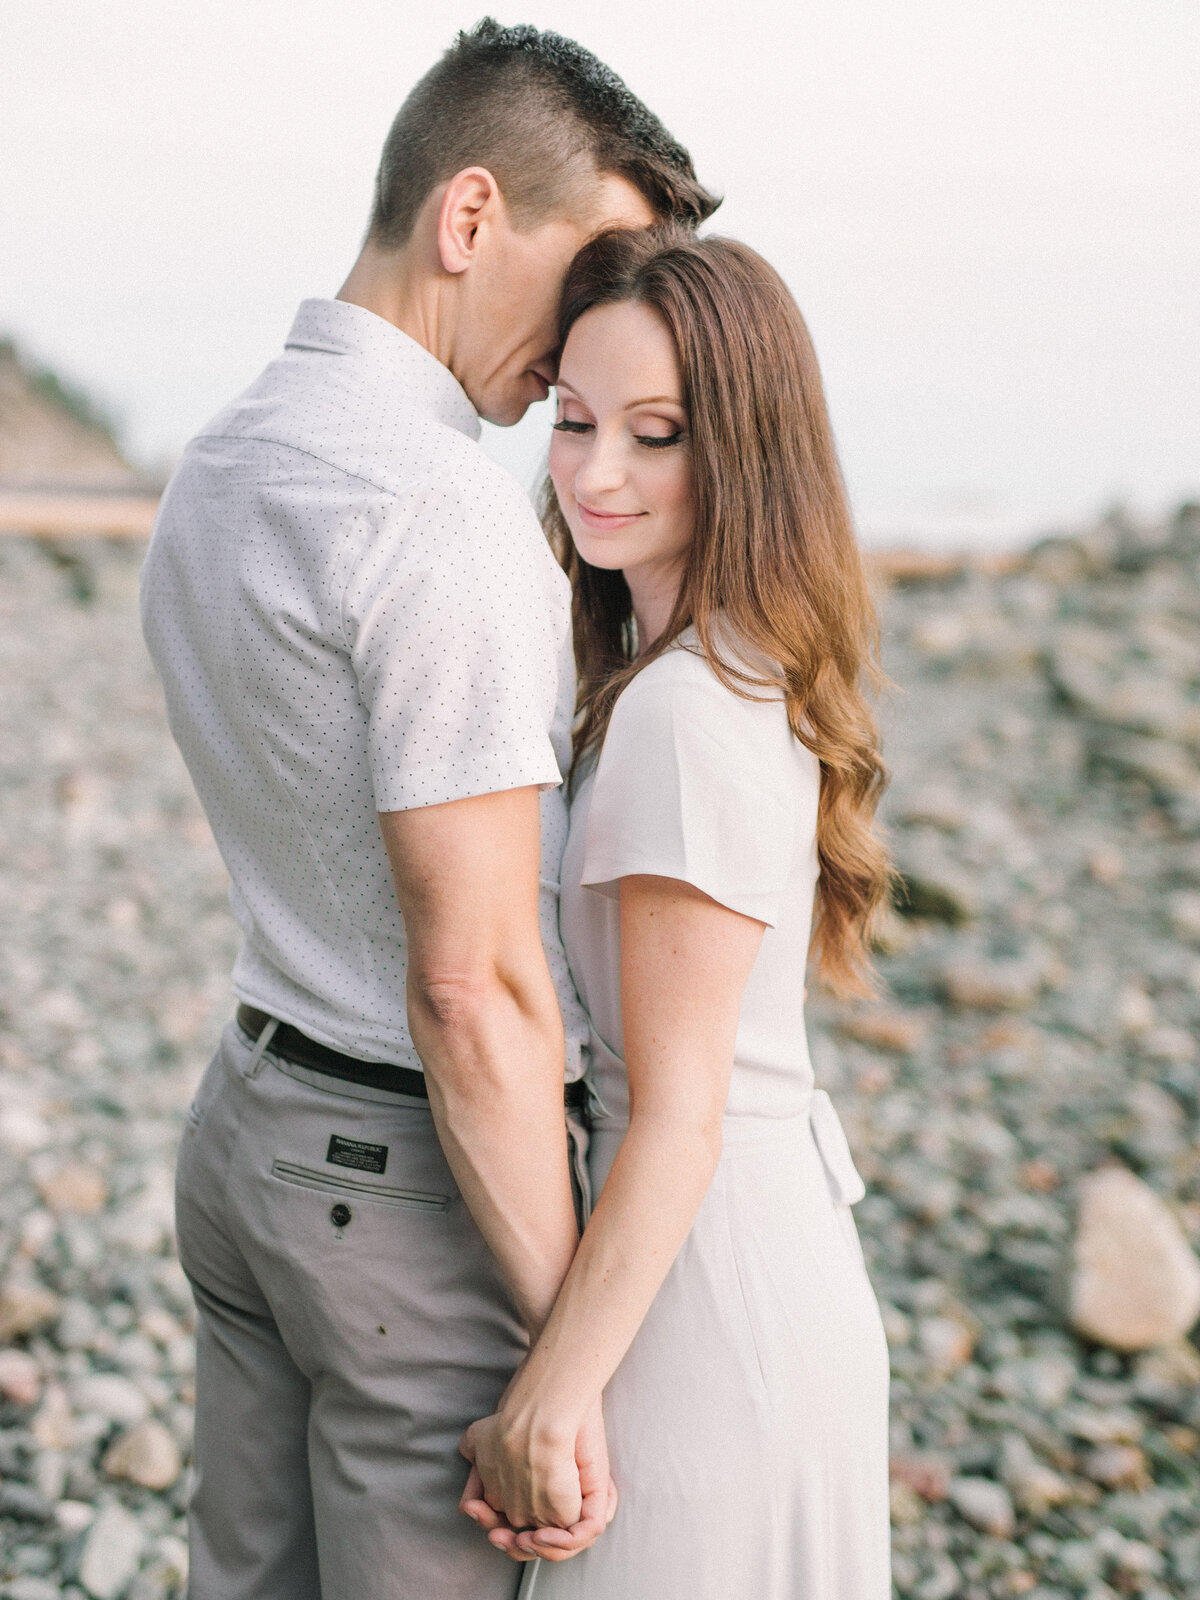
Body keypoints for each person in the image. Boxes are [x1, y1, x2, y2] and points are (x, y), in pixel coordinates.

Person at [139, 23, 717, 1600]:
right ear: (468, 219)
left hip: (245, 1124)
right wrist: (559, 1349)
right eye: (591, 265)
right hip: (404, 1188)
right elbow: (472, 987)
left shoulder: (220, 459)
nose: (599, 326)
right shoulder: (440, 508)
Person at [459, 226, 895, 1598]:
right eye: (576, 420)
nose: (594, 473)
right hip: (750, 1257)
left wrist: (549, 1392)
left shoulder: (683, 713)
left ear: (745, 452)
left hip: (710, 1294)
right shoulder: (713, 673)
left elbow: (680, 1109)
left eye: (657, 435)